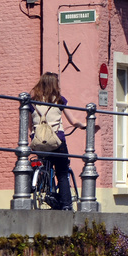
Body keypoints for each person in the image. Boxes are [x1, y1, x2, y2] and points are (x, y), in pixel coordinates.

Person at [30, 72, 86, 210]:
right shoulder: (60, 100)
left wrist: (31, 140)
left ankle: (46, 191)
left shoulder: (32, 102)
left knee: (45, 164)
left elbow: (29, 127)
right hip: (56, 141)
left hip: (39, 143)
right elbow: (73, 121)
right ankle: (66, 205)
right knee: (62, 172)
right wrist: (84, 126)